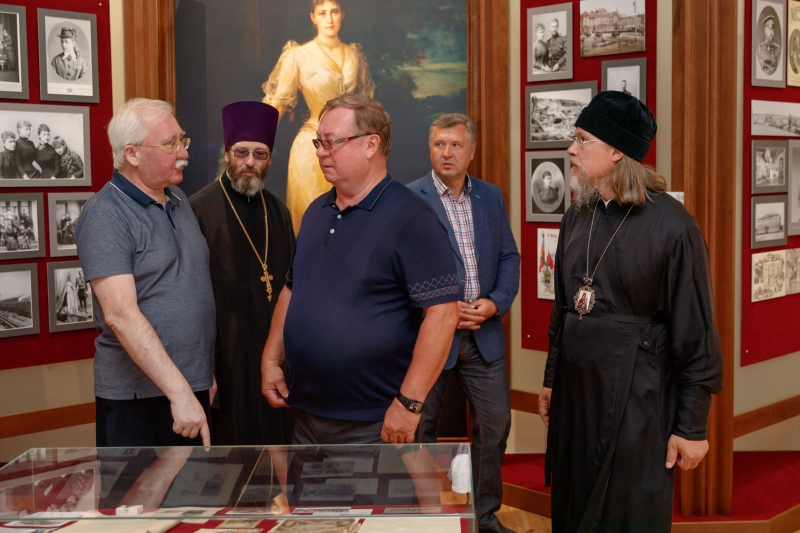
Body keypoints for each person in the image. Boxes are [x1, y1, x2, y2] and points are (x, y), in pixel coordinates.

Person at [538, 91, 724, 532]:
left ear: (617, 151)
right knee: (572, 510)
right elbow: (563, 310)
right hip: (575, 400)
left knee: (627, 514)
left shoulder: (674, 226)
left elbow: (695, 333)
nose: (571, 150)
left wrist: (692, 428)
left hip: (637, 403)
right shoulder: (577, 216)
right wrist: (550, 380)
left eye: (582, 140)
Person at [261, 94, 460, 446]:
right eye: (319, 142)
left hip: (375, 422)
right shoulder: (315, 212)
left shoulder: (412, 218)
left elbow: (443, 315)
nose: (321, 152)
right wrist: (272, 359)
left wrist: (409, 404)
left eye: (332, 142)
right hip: (305, 412)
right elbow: (292, 289)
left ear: (371, 145)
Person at [75, 98, 216, 447]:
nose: (184, 153)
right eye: (170, 144)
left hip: (191, 387)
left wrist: (203, 375)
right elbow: (121, 316)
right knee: (144, 486)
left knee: (194, 484)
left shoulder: (179, 200)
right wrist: (180, 393)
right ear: (132, 154)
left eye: (182, 140)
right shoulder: (105, 214)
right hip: (139, 400)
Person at [407, 113, 520, 533]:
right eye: (439, 144)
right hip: (430, 337)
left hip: (483, 335)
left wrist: (495, 304)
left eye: (456, 145)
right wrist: (439, 308)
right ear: (430, 149)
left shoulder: (490, 196)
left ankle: (484, 518)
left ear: (471, 151)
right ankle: (423, 519)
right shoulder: (410, 198)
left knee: (495, 427)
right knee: (420, 430)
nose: (447, 152)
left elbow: (509, 257)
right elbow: (397, 270)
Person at [190, 101, 295, 446]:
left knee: (279, 439)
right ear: (227, 154)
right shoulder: (198, 210)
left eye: (259, 154)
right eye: (241, 153)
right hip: (225, 353)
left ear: (269, 159)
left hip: (272, 349)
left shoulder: (278, 211)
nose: (250, 162)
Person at [263, 0, 374, 234]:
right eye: (322, 13)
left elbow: (366, 107)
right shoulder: (299, 55)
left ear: (342, 14)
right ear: (313, 17)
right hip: (310, 150)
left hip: (350, 150)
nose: (329, 19)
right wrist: (258, 142)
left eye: (334, 12)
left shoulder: (354, 54)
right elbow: (277, 104)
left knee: (352, 228)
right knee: (311, 228)